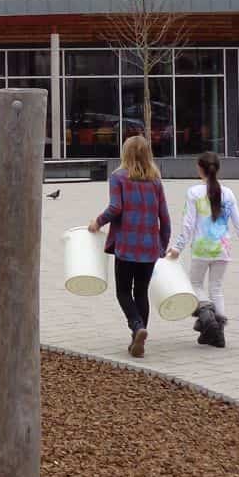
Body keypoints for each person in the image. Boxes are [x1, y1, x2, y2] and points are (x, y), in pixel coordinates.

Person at [88, 135, 171, 358]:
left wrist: (97, 221)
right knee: (141, 291)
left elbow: (115, 207)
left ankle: (136, 327)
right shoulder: (155, 181)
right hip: (149, 246)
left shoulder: (118, 177)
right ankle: (138, 335)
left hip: (126, 245)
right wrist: (162, 244)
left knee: (123, 291)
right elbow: (164, 216)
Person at [166, 151, 239, 348]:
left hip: (201, 249)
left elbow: (188, 225)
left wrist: (177, 248)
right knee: (216, 288)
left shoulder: (194, 193)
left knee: (195, 284)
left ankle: (207, 316)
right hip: (223, 248)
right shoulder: (228, 193)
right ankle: (218, 333)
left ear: (200, 169)